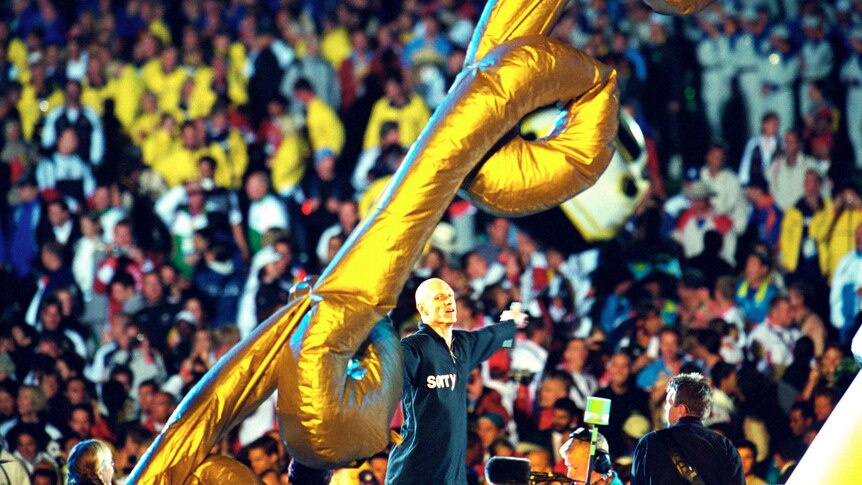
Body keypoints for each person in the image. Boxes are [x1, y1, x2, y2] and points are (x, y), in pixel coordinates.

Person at [385, 278, 524, 485]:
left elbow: (494, 336)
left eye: (450, 296)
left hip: (451, 475)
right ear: (423, 308)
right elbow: (384, 383)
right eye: (439, 297)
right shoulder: (412, 348)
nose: (448, 302)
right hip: (414, 471)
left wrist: (512, 323)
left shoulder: (463, 343)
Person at [630, 373, 744, 484]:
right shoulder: (725, 447)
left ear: (681, 410)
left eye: (669, 403)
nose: (665, 407)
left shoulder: (650, 442)